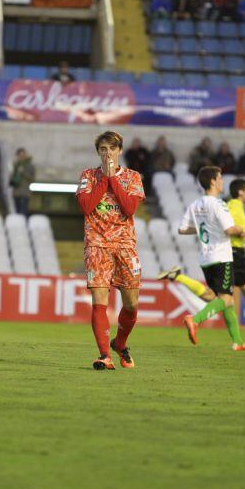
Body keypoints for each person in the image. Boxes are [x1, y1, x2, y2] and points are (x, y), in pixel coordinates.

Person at [161, 178, 245, 344]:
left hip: (230, 254)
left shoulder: (235, 206)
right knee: (242, 293)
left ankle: (179, 276)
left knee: (219, 298)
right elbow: (225, 227)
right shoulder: (231, 206)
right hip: (232, 254)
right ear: (240, 192)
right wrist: (241, 232)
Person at [75, 131, 145, 370]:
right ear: (99, 152)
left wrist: (112, 178)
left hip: (125, 245)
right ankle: (105, 355)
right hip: (97, 244)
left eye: (112, 149)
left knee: (131, 305)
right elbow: (85, 206)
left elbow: (130, 208)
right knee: (99, 300)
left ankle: (120, 343)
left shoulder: (133, 177)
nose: (108, 153)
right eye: (103, 149)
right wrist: (103, 178)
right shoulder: (88, 176)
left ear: (120, 151)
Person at [178, 167, 245, 352]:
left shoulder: (195, 205)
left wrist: (206, 228)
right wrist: (241, 230)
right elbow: (229, 230)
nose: (222, 181)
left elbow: (182, 229)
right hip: (221, 257)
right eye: (220, 178)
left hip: (205, 259)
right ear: (212, 181)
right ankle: (194, 320)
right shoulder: (219, 204)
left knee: (223, 299)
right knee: (226, 299)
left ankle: (237, 341)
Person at [10, 147, 35, 215]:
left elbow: (32, 178)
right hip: (16, 192)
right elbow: (11, 179)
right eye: (20, 155)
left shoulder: (30, 166)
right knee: (17, 211)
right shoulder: (15, 165)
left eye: (23, 155)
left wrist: (23, 172)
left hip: (25, 192)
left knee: (23, 211)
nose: (21, 157)